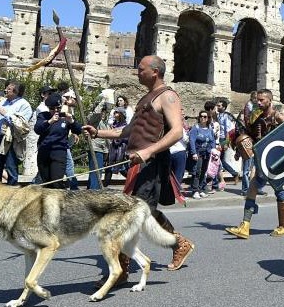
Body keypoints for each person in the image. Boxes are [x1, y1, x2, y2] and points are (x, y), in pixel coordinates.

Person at [82, 55, 194, 280]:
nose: (137, 72)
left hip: (152, 164)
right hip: (138, 164)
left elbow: (177, 132)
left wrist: (149, 151)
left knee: (132, 214)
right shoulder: (146, 99)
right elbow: (127, 131)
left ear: (155, 71)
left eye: (141, 69)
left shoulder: (168, 96)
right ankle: (179, 244)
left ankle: (120, 268)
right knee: (145, 213)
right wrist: (98, 132)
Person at [224, 89, 284, 238]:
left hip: (276, 161)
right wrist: (240, 148)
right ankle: (245, 226)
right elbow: (253, 137)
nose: (259, 102)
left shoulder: (278, 117)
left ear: (270, 100)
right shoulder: (258, 117)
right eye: (257, 100)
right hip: (262, 160)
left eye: (262, 100)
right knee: (253, 188)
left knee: (278, 190)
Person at [33, 92, 84, 187]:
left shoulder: (65, 116)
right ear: (48, 108)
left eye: (58, 108)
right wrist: (49, 121)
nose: (56, 110)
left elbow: (78, 130)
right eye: (52, 108)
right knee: (46, 182)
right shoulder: (43, 116)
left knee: (56, 182)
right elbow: (37, 129)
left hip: (59, 151)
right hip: (44, 151)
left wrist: (72, 122)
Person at [0, 82, 33, 185]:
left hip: (12, 139)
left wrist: (5, 113)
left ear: (16, 92)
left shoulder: (24, 105)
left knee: (11, 167)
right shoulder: (3, 101)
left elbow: (22, 125)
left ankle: (11, 192)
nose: (5, 90)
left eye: (8, 89)